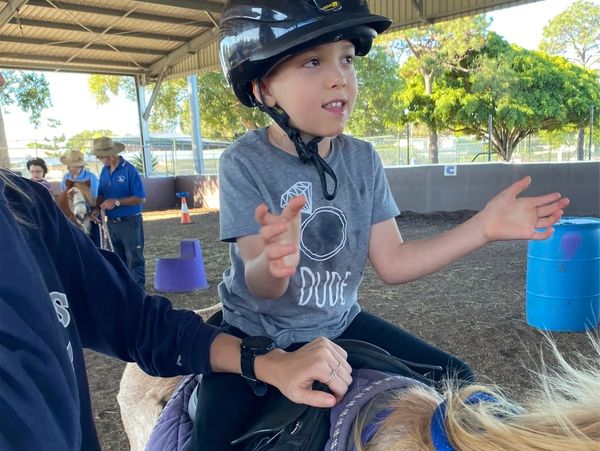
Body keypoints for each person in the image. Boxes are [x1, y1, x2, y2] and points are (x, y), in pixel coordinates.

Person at [185, 1, 571, 449]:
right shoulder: (243, 162)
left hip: (341, 323)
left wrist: (482, 227)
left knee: (456, 379)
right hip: (257, 333)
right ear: (265, 88)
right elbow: (261, 286)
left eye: (346, 58)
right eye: (313, 61)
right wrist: (273, 261)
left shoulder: (362, 159)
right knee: (212, 440)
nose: (339, 76)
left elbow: (393, 262)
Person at [0, 168, 352, 451]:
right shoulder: (243, 165)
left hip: (126, 219)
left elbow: (137, 322)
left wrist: (266, 362)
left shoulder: (23, 205)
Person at [90, 137, 146, 288]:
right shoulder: (104, 171)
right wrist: (96, 209)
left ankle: (138, 292)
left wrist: (117, 202)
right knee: (118, 259)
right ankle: (124, 290)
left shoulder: (129, 170)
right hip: (112, 223)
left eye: (100, 156)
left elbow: (140, 198)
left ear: (110, 154)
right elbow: (101, 193)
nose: (98, 159)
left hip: (130, 222)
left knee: (134, 259)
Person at [60, 149, 100, 246]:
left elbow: (93, 197)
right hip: (71, 212)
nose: (75, 168)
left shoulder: (91, 177)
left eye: (78, 165)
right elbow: (64, 194)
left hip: (89, 210)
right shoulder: (66, 178)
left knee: (94, 237)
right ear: (68, 166)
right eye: (73, 165)